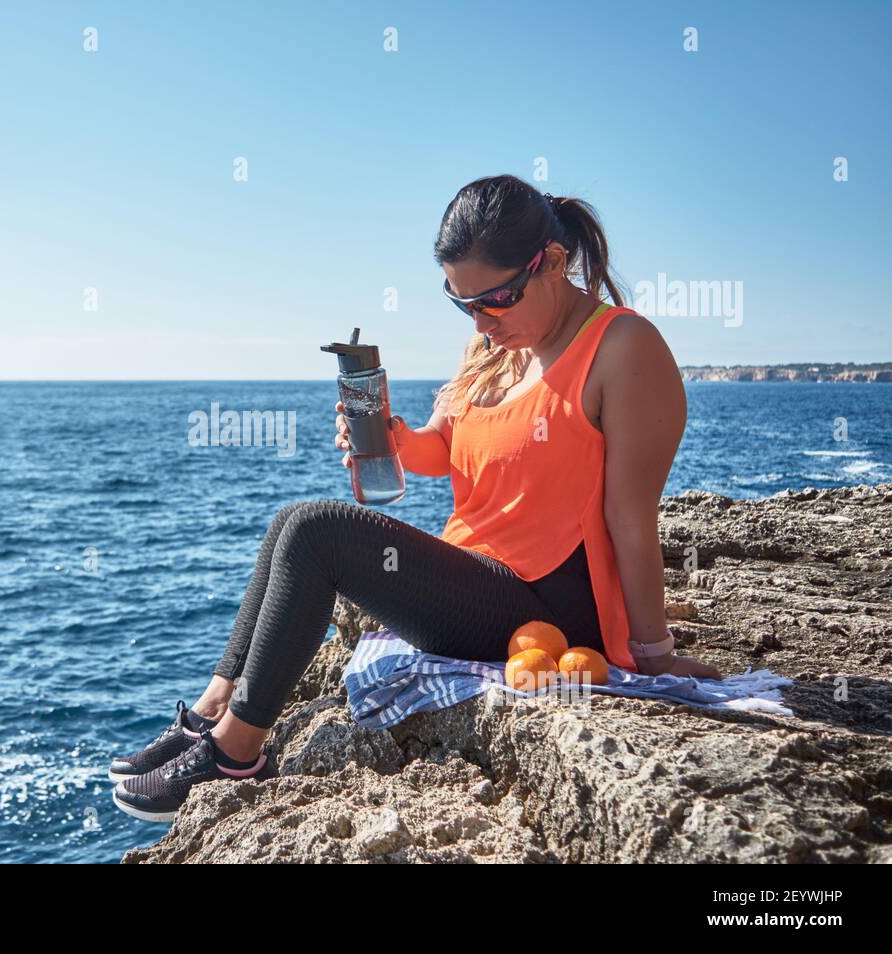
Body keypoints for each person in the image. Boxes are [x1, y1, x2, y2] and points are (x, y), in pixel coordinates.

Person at [110, 173, 723, 823]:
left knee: (319, 531)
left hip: (554, 607)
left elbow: (631, 518)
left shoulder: (623, 348)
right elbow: (448, 447)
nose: (482, 319)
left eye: (496, 298)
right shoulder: (495, 349)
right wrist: (390, 437)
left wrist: (654, 660)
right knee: (290, 519)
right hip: (480, 578)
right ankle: (212, 713)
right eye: (463, 304)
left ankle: (237, 753)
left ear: (550, 262)